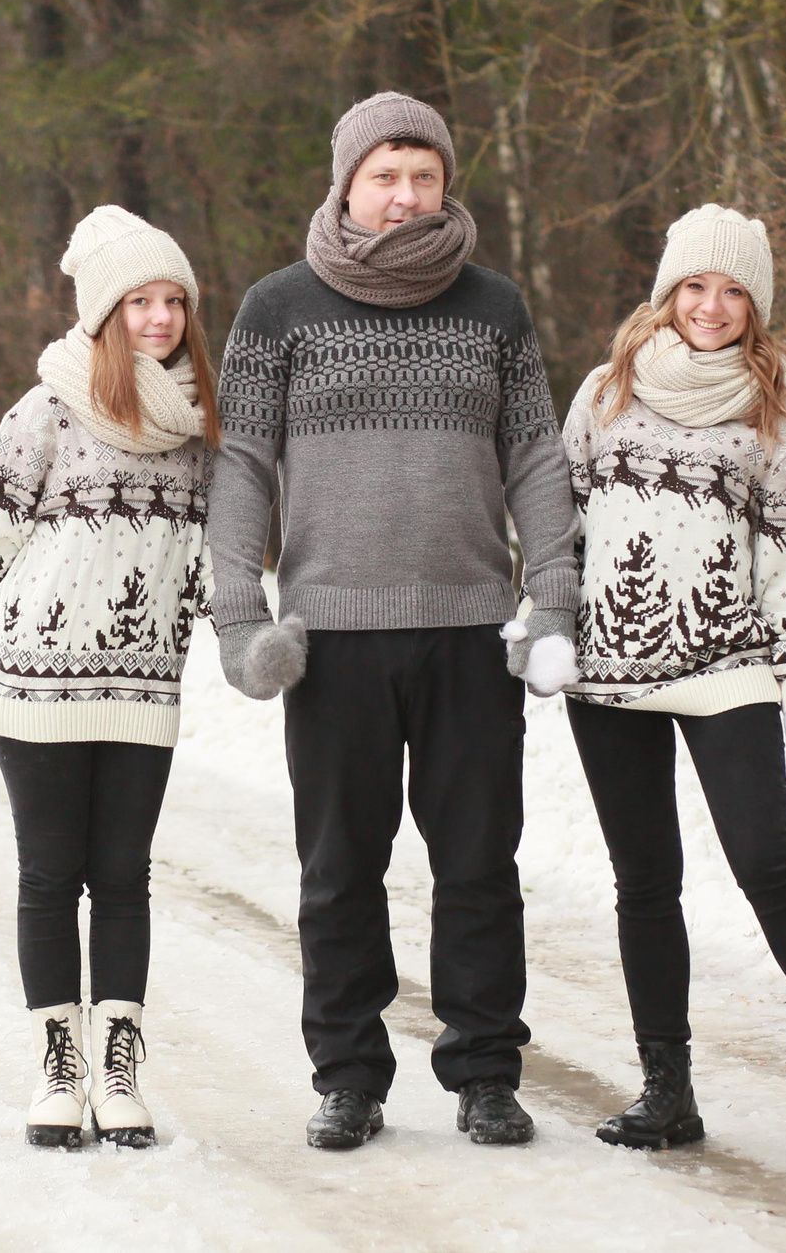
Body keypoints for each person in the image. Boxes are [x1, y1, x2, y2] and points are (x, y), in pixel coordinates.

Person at [210, 91, 581, 1152]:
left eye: (422, 175)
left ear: (444, 183)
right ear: (347, 184)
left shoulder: (493, 308)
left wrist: (550, 597)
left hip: (469, 629)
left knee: (477, 864)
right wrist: (241, 617)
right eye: (385, 176)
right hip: (327, 638)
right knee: (339, 870)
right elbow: (240, 468)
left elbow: (535, 461)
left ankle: (483, 1073)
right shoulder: (278, 308)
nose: (405, 195)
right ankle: (348, 1078)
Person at [557, 203, 786, 1165]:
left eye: (734, 290)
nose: (713, 306)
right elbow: (559, 521)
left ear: (757, 304)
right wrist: (543, 623)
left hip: (729, 667)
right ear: (668, 294)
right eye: (697, 286)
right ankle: (668, 1089)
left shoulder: (777, 420)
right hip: (609, 672)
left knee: (768, 864)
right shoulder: (603, 392)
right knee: (645, 882)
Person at [0, 205, 219, 1150]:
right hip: (37, 685)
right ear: (102, 313)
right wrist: (35, 621)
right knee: (48, 876)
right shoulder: (47, 409)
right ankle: (57, 1068)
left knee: (122, 878)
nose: (159, 318)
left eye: (173, 301)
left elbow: (200, 553)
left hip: (143, 687)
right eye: (139, 301)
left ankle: (117, 1067)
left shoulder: (198, 422)